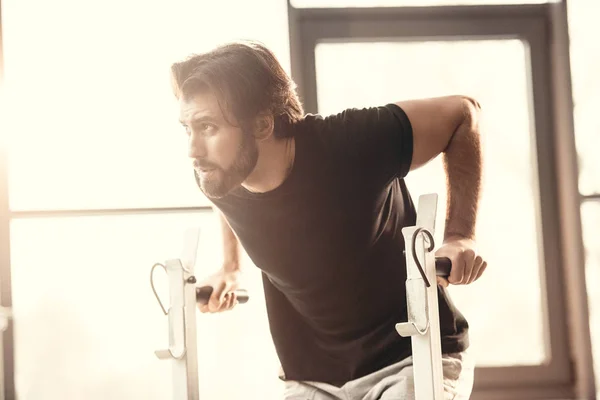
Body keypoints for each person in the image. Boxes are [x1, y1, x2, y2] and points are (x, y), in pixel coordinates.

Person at [170, 40, 487, 400]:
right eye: (187, 129)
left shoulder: (351, 142)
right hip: (313, 377)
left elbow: (463, 113)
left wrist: (461, 234)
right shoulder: (216, 172)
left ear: (261, 124)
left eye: (208, 127)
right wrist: (230, 265)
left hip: (410, 356)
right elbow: (225, 201)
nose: (193, 150)